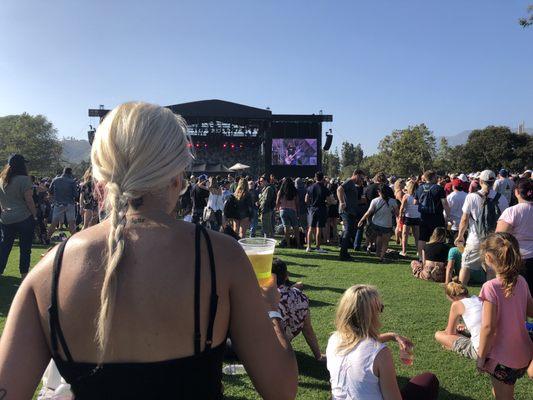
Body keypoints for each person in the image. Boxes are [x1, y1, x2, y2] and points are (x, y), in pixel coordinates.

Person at [0, 102, 298, 399]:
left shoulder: (47, 273)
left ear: (99, 180)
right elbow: (281, 390)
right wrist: (271, 307)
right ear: (178, 177)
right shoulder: (222, 256)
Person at [326, 285, 439, 400]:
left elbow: (359, 346)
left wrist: (392, 336)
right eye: (380, 308)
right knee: (428, 380)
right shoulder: (380, 353)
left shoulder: (334, 340)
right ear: (371, 315)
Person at [476, 233, 533, 400]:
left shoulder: (490, 287)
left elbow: (488, 328)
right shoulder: (521, 280)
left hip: (503, 359)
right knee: (502, 392)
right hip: (524, 353)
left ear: (488, 257)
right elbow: (531, 311)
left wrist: (481, 357)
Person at [455, 170, 508, 286]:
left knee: (466, 266)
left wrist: (460, 236)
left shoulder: (471, 197)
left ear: (480, 181)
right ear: (494, 182)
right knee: (491, 270)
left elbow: (464, 219)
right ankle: (490, 298)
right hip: (493, 240)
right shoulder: (502, 199)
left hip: (474, 239)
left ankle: (459, 296)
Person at [271, 258, 324, 361]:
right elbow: (307, 329)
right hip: (282, 346)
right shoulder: (301, 297)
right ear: (286, 275)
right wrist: (318, 355)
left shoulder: (264, 297)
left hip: (259, 348)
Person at [0, 154, 38, 279]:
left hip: (6, 218)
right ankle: (24, 275)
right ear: (22, 165)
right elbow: (29, 200)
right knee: (25, 248)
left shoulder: (2, 179)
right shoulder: (24, 179)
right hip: (23, 217)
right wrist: (35, 215)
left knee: (5, 247)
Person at [496, 178, 533, 294]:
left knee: (517, 294)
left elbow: (499, 236)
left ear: (516, 192)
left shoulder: (512, 211)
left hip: (518, 258)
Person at [434, 278, 482, 360]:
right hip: (498, 346)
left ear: (451, 297)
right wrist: (465, 327)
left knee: (439, 334)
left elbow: (450, 332)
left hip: (481, 351)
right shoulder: (478, 299)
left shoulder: (456, 304)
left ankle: (453, 346)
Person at [414, 170, 451, 264]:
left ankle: (421, 259)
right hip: (437, 216)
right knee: (439, 236)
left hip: (423, 217)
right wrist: (449, 216)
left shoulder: (419, 188)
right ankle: (438, 258)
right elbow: (444, 203)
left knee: (422, 238)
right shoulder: (438, 188)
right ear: (433, 177)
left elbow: (415, 202)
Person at [358, 184, 398, 262]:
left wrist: (361, 220)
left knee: (376, 238)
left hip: (375, 223)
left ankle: (371, 248)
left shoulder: (375, 200)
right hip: (387, 224)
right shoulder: (393, 201)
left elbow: (368, 212)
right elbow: (397, 213)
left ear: (379, 192)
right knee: (385, 242)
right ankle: (381, 256)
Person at [337, 170, 365, 261]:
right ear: (356, 175)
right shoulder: (349, 181)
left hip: (351, 211)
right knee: (348, 231)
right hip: (346, 211)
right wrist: (342, 202)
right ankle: (343, 254)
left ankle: (344, 252)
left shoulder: (353, 184)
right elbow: (339, 189)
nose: (362, 180)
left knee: (350, 232)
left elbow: (352, 199)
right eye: (361, 178)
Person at [305, 172, 333, 253]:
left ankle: (308, 247)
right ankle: (318, 247)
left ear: (315, 178)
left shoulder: (310, 187)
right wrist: (327, 204)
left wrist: (311, 204)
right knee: (319, 229)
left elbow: (306, 200)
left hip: (312, 209)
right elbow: (329, 201)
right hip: (321, 209)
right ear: (322, 178)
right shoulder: (325, 188)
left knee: (310, 228)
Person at [47, 167, 78, 240]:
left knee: (54, 223)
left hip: (58, 204)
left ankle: (47, 238)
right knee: (71, 223)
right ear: (70, 173)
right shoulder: (72, 181)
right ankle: (76, 239)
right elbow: (76, 195)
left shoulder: (55, 180)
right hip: (69, 204)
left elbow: (50, 191)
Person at [276, 178, 300, 248]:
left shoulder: (281, 191)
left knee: (286, 228)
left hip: (283, 211)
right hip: (292, 210)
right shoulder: (294, 191)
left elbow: (277, 202)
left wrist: (278, 210)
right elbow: (297, 202)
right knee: (296, 228)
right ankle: (298, 244)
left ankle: (288, 244)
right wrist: (298, 212)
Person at [399, 180, 420, 257]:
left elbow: (402, 208)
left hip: (408, 217)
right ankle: (418, 251)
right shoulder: (419, 195)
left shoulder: (406, 196)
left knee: (405, 235)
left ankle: (404, 251)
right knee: (417, 236)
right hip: (417, 216)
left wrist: (400, 216)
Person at [446, 178, 467, 244]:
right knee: (463, 244)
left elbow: (446, 211)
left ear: (454, 186)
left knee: (452, 244)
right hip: (465, 224)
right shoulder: (467, 195)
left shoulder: (450, 196)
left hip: (453, 224)